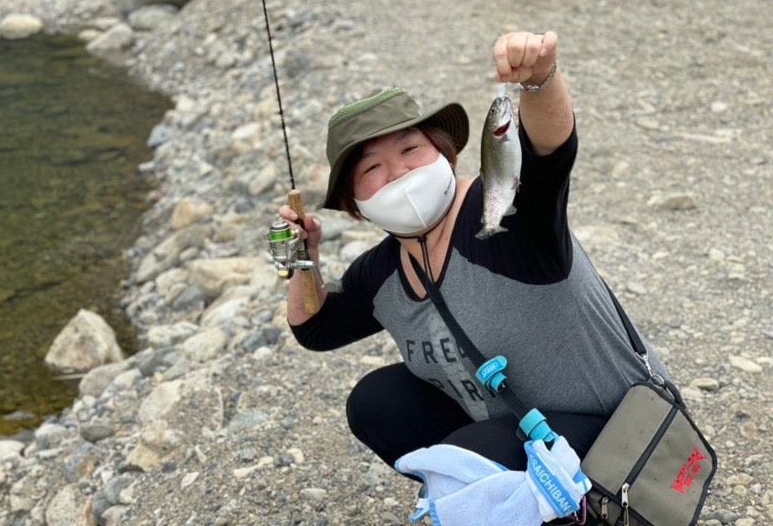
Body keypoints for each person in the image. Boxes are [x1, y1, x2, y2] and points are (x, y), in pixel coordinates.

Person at [277, 31, 668, 523]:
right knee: (377, 403)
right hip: (523, 427)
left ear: (446, 152)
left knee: (469, 460)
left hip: (627, 435)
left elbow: (550, 151)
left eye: (410, 149)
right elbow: (315, 329)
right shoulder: (378, 274)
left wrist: (540, 79)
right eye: (372, 167)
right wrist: (301, 260)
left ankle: (580, 508)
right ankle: (524, 506)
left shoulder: (505, 210)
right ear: (355, 203)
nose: (397, 173)